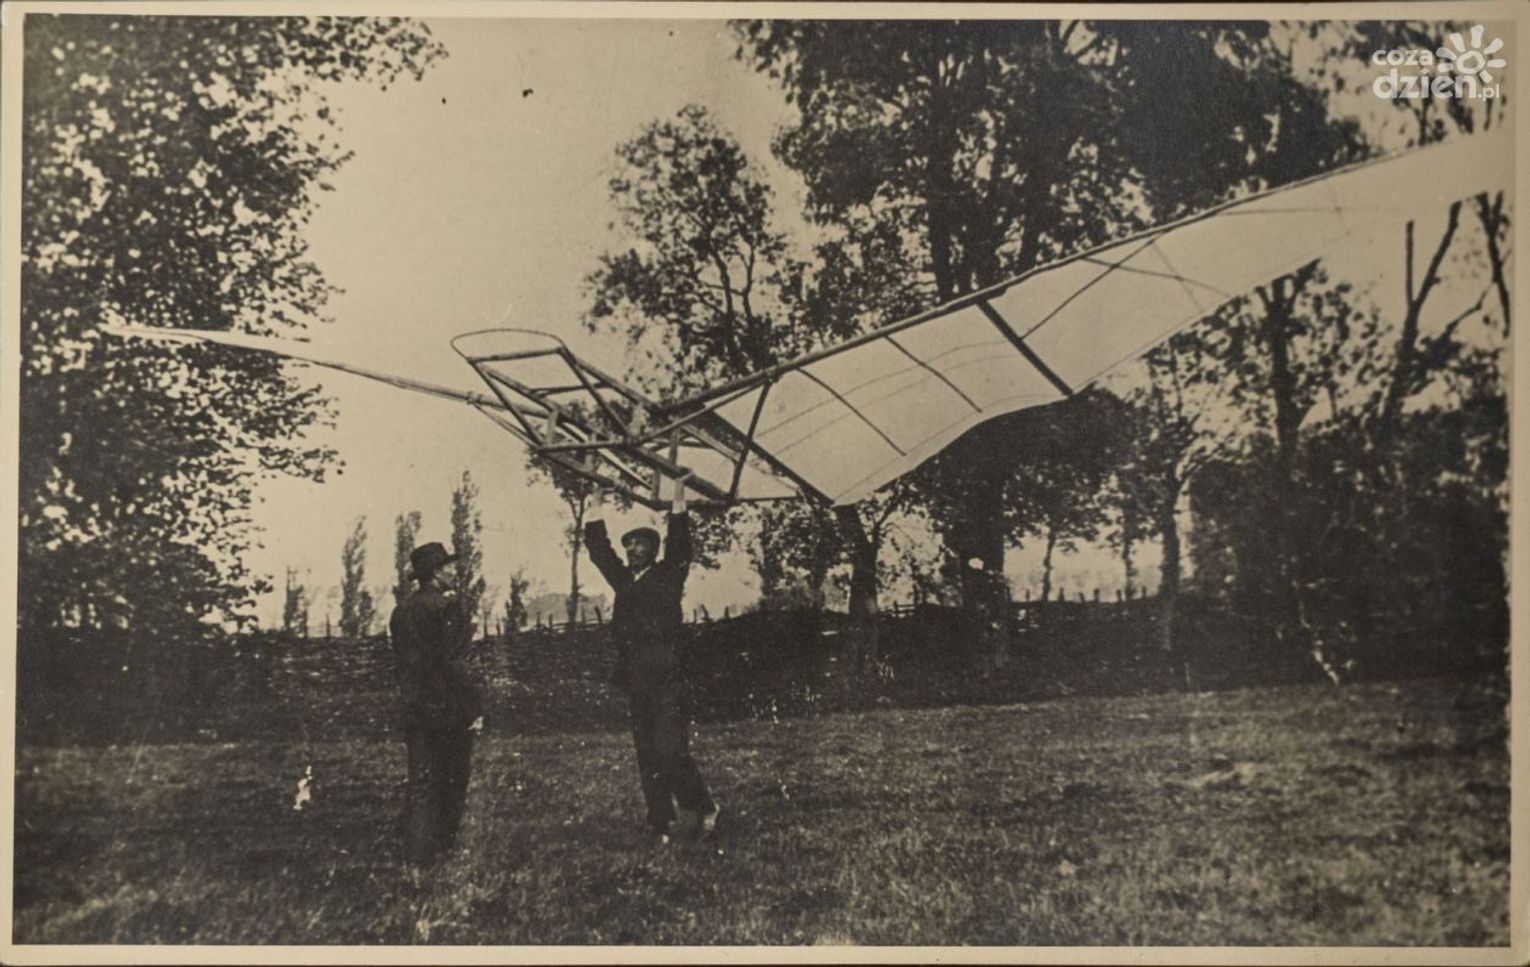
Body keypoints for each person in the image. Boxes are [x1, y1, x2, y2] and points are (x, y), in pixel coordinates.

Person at [585, 477, 719, 842]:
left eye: (640, 544)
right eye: (629, 544)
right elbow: (598, 550)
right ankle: (660, 821)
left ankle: (704, 806)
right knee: (647, 754)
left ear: (653, 550)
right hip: (636, 678)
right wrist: (595, 501)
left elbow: (681, 545)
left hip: (669, 677)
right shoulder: (623, 581)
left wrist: (678, 496)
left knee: (670, 750)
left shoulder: (669, 576)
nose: (632, 549)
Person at [388, 541, 484, 865]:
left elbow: (402, 663)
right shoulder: (447, 608)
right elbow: (456, 663)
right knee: (452, 779)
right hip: (448, 709)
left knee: (421, 781)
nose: (454, 572)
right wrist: (474, 708)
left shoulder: (401, 612)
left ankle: (415, 854)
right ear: (437, 572)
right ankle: (442, 848)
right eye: (448, 567)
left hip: (415, 707)